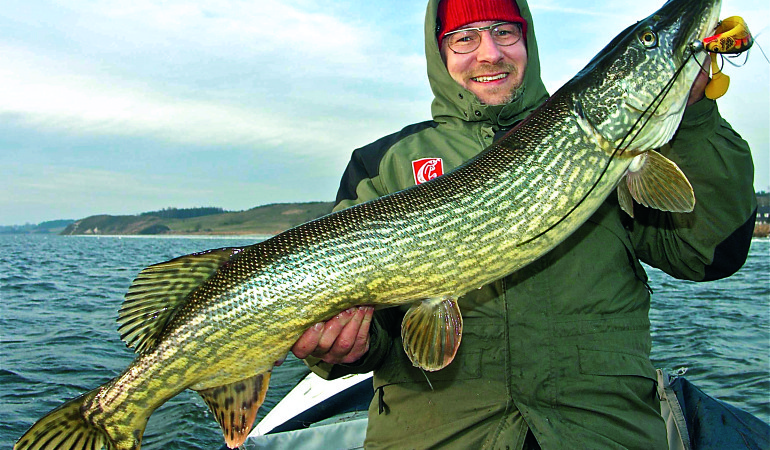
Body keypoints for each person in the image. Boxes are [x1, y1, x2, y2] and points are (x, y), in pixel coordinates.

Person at [291, 0, 757, 448]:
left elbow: (709, 256)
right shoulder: (383, 165)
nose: (489, 52)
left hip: (600, 433)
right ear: (440, 53)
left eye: (504, 32)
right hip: (438, 439)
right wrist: (340, 346)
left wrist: (693, 118)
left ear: (527, 41)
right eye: (464, 38)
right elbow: (368, 332)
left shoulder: (635, 154)